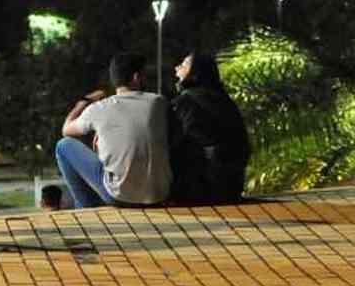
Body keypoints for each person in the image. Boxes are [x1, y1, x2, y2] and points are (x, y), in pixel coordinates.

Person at [55, 53, 172, 209]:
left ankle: (86, 207)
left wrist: (84, 102)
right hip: (159, 194)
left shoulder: (99, 108)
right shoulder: (158, 102)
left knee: (63, 146)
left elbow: (66, 130)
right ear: (137, 77)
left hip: (120, 196)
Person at [168, 53, 251, 204]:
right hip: (231, 186)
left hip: (201, 188)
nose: (177, 68)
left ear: (195, 73)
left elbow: (174, 142)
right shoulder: (225, 100)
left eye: (184, 64)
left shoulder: (185, 102)